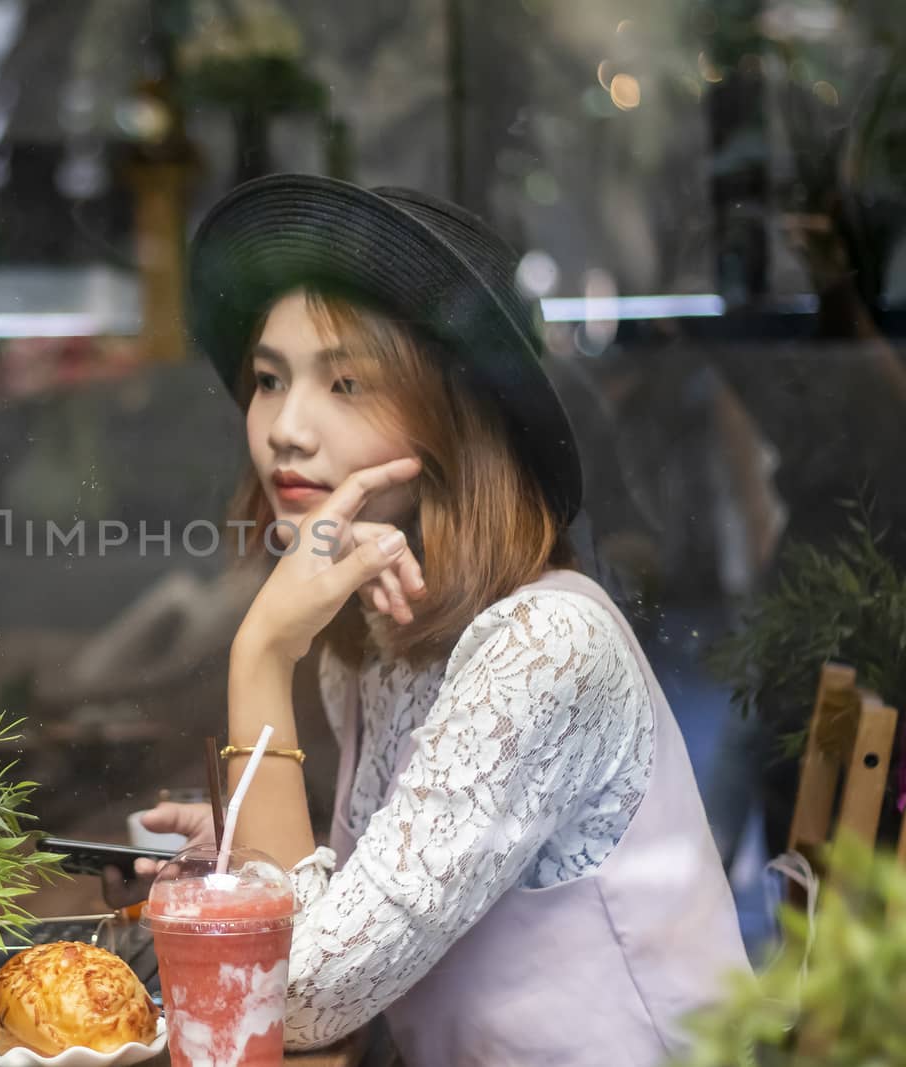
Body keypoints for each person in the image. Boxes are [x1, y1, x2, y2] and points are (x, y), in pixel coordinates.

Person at [114, 175, 751, 1065]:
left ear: (452, 417)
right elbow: (358, 920)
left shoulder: (545, 646)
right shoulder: (370, 643)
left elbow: (291, 997)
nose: (286, 428)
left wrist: (260, 651)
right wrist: (244, 846)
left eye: (344, 382)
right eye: (268, 379)